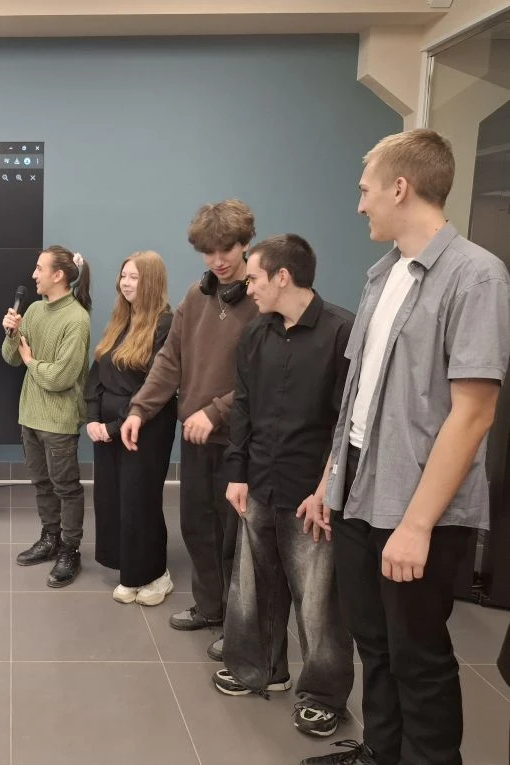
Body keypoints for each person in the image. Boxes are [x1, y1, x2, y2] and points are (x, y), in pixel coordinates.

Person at [301, 129, 510, 765]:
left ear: (400, 188)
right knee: (373, 643)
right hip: (360, 491)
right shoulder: (383, 275)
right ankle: (379, 752)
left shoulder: (476, 276)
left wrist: (416, 526)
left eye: (365, 190)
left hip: (421, 508)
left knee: (418, 656)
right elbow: (358, 398)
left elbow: (474, 414)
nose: (359, 204)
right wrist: (329, 481)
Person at [214, 234, 354, 739]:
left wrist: (326, 489)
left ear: (282, 276)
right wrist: (237, 472)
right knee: (252, 587)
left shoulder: (341, 332)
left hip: (310, 494)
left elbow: (345, 423)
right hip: (258, 482)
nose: (247, 287)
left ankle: (323, 695)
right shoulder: (257, 333)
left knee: (317, 602)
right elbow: (244, 406)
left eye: (253, 277)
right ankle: (260, 669)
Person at [121, 199, 259, 661]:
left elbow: (264, 377)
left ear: (245, 244)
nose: (218, 260)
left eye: (227, 250)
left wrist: (216, 412)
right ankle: (209, 607)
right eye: (208, 252)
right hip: (196, 440)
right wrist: (139, 410)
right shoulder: (196, 298)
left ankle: (240, 627)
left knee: (236, 539)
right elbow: (169, 361)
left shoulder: (261, 300)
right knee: (197, 528)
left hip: (240, 440)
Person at [85, 250, 176, 605]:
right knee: (112, 498)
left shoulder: (165, 325)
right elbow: (97, 374)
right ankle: (130, 570)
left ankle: (155, 575)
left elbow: (155, 386)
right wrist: (94, 419)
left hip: (145, 428)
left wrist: (114, 425)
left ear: (151, 281)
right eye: (123, 275)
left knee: (140, 499)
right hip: (107, 428)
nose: (125, 283)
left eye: (134, 277)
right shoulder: (120, 320)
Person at [2, 245, 92, 587]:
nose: (33, 275)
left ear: (59, 275)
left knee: (66, 488)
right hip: (30, 415)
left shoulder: (77, 319)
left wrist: (29, 360)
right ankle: (50, 537)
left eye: (40, 269)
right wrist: (12, 333)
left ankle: (70, 550)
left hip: (58, 420)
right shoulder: (35, 310)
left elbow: (60, 378)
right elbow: (10, 358)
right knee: (42, 484)